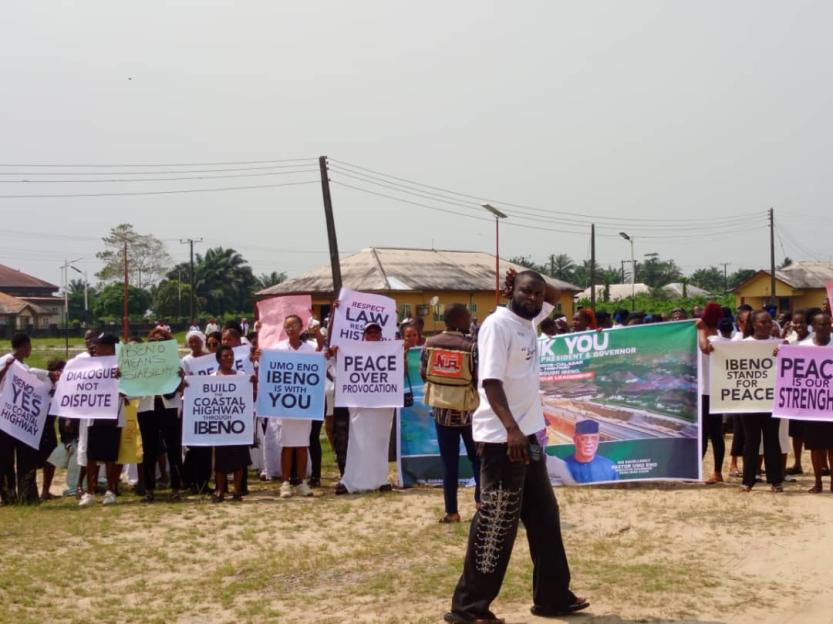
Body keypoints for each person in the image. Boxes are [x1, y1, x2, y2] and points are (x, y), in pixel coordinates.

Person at [446, 270, 587, 624]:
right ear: (512, 292)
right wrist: (512, 431)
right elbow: (490, 383)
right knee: (497, 523)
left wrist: (532, 280)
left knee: (544, 519)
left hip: (531, 437)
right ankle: (468, 609)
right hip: (503, 441)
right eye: (526, 292)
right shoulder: (499, 325)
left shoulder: (531, 318)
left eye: (538, 295)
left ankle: (553, 597)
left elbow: (554, 293)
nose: (535, 299)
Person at [421, 303, 481, 524]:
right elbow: (478, 377)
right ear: (459, 321)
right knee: (477, 458)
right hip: (469, 412)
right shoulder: (471, 347)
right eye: (468, 318)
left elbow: (424, 374)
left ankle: (452, 512)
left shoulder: (430, 344)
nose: (471, 321)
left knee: (449, 462)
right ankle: (481, 503)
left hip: (442, 412)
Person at [336, 322, 396, 494]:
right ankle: (351, 480)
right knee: (358, 440)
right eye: (369, 332)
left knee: (379, 441)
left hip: (382, 403)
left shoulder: (388, 351)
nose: (373, 335)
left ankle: (380, 479)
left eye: (376, 332)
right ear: (364, 334)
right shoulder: (353, 352)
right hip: (359, 403)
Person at [136, 328, 184, 503]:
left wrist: (181, 379)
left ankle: (176, 488)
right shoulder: (141, 362)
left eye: (161, 341)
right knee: (148, 450)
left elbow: (183, 386)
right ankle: (149, 489)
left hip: (169, 407)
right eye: (154, 341)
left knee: (173, 449)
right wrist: (123, 378)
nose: (157, 343)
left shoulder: (176, 362)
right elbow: (132, 388)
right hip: (147, 408)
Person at [738, 310, 783, 493]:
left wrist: (784, 352)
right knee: (751, 441)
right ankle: (748, 480)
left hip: (772, 401)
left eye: (769, 322)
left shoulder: (779, 345)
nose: (766, 325)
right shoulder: (742, 345)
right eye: (762, 322)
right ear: (754, 324)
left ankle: (775, 480)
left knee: (772, 440)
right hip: (749, 401)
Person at [80, 334, 124, 507]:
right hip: (95, 415)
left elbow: (131, 389)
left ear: (109, 348)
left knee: (111, 457)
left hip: (114, 416)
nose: (94, 349)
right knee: (92, 456)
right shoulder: (90, 366)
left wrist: (121, 379)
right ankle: (90, 492)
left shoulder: (122, 366)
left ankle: (111, 491)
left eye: (98, 346)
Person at [275, 315, 315, 498]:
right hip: (285, 405)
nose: (290, 329)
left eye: (293, 325)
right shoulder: (278, 349)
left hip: (304, 405)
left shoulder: (311, 349)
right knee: (287, 445)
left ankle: (300, 482)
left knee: (302, 444)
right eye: (287, 326)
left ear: (301, 327)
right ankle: (285, 483)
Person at [210, 345, 255, 502]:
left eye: (230, 355)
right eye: (225, 356)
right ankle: (220, 490)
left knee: (239, 458)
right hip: (220, 425)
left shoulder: (243, 376)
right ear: (218, 359)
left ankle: (237, 490)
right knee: (220, 460)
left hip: (238, 424)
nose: (228, 358)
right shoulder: (211, 378)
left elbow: (252, 396)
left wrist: (253, 384)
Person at [0, 333, 40, 505]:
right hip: (4, 419)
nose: (30, 350)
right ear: (25, 346)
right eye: (29, 346)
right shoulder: (6, 362)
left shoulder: (24, 366)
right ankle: (8, 496)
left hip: (21, 420)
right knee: (4, 459)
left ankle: (27, 495)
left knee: (25, 457)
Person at [800, 312, 833, 493]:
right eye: (822, 324)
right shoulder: (803, 346)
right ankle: (818, 482)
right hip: (812, 406)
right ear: (813, 327)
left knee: (831, 446)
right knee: (815, 446)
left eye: (828, 324)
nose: (826, 327)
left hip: (831, 406)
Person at [697, 302, 726, 484]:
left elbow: (705, 349)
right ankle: (700, 470)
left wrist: (701, 330)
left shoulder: (717, 337)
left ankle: (717, 472)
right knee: (708, 433)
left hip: (710, 391)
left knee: (712, 433)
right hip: (702, 390)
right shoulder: (714, 334)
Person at [181, 330, 213, 494]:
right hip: (191, 407)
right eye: (191, 342)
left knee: (207, 446)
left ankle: (204, 480)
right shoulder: (185, 361)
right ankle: (190, 479)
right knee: (192, 446)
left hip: (208, 406)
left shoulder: (210, 359)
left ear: (202, 342)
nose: (194, 345)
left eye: (197, 341)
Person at [37, 358, 65, 500]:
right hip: (37, 425)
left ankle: (45, 491)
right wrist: (48, 374)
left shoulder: (61, 386)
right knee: (34, 460)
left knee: (51, 460)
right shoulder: (42, 382)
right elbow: (31, 371)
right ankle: (31, 491)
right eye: (61, 371)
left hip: (49, 426)